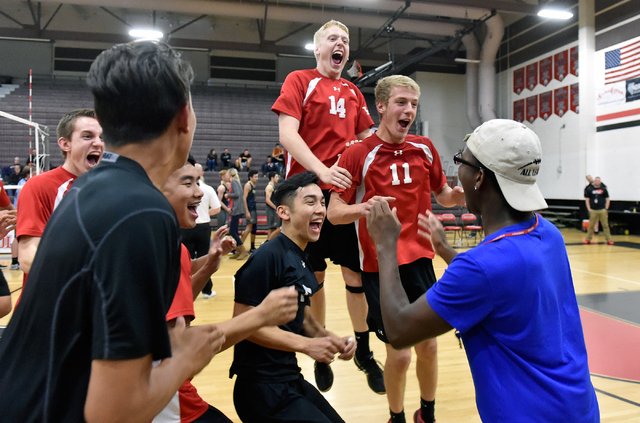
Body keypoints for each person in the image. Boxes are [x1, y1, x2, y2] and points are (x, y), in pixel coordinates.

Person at [0, 41, 227, 422]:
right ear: (183, 116)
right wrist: (187, 357)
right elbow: (114, 413)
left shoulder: (89, 190)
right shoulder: (141, 214)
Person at [367, 119, 599, 423]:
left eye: (461, 161)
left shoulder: (481, 267)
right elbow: (497, 283)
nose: (457, 172)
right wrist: (447, 252)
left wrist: (385, 246)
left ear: (478, 177)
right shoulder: (548, 233)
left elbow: (398, 331)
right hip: (577, 407)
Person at [327, 75, 465, 423]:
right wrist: (368, 208)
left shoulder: (424, 147)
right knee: (400, 356)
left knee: (429, 347)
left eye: (414, 104)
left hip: (419, 260)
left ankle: (427, 415)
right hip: (379, 265)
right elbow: (334, 213)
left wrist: (469, 194)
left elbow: (445, 195)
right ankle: (396, 416)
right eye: (402, 102)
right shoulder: (357, 153)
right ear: (382, 106)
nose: (409, 110)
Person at [271, 19, 383, 393]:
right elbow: (287, 134)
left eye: (346, 40)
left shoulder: (353, 91)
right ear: (317, 49)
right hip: (307, 193)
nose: (341, 44)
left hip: (342, 198)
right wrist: (323, 171)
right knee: (314, 279)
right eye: (333, 39)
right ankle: (320, 352)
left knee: (355, 276)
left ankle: (365, 352)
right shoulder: (300, 80)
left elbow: (370, 140)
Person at [155, 157, 298, 423]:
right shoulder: (158, 249)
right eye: (188, 182)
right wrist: (260, 316)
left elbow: (180, 304)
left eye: (198, 181)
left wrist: (209, 265)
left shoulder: (172, 246)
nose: (200, 190)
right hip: (161, 399)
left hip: (170, 392)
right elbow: (179, 348)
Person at [230, 171, 356, 423]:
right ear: (284, 213)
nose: (320, 209)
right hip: (261, 388)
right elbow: (241, 326)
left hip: (289, 378)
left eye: (322, 202)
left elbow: (303, 318)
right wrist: (308, 346)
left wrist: (332, 339)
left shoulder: (300, 257)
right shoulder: (268, 257)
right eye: (310, 202)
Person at [16, 109, 104, 289]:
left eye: (102, 137)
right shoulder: (39, 186)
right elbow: (28, 258)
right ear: (65, 144)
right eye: (87, 136)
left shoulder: (114, 188)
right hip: (49, 306)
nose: (98, 143)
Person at [180, 162, 221, 299]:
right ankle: (207, 291)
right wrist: (204, 213)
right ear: (201, 173)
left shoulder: (183, 189)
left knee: (187, 259)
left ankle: (186, 289)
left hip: (186, 227)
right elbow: (217, 208)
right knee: (205, 257)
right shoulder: (208, 189)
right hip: (203, 226)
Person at [584, 176, 613, 245]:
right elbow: (587, 199)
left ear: (600, 181)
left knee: (605, 225)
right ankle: (588, 239)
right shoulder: (590, 189)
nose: (597, 182)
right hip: (593, 210)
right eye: (596, 180)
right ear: (594, 181)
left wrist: (606, 208)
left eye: (598, 181)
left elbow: (607, 199)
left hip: (602, 210)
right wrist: (589, 208)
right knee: (591, 225)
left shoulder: (604, 189)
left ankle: (609, 239)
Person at [227, 167, 248, 260]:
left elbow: (237, 194)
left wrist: (228, 195)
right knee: (234, 231)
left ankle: (242, 250)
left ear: (230, 174)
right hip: (236, 209)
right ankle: (238, 251)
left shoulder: (234, 182)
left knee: (232, 231)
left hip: (237, 209)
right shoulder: (236, 181)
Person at [241, 170, 259, 253]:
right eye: (255, 177)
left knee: (253, 228)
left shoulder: (253, 185)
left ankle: (252, 247)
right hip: (250, 209)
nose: (257, 178)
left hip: (253, 208)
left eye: (257, 176)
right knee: (249, 228)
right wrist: (247, 211)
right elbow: (244, 199)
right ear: (250, 177)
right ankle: (239, 246)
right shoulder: (248, 185)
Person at [265, 171, 281, 240]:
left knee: (273, 228)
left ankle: (269, 243)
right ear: (272, 178)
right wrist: (275, 208)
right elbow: (267, 200)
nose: (278, 178)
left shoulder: (272, 187)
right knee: (275, 228)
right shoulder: (269, 187)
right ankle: (267, 242)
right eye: (276, 177)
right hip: (271, 210)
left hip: (272, 209)